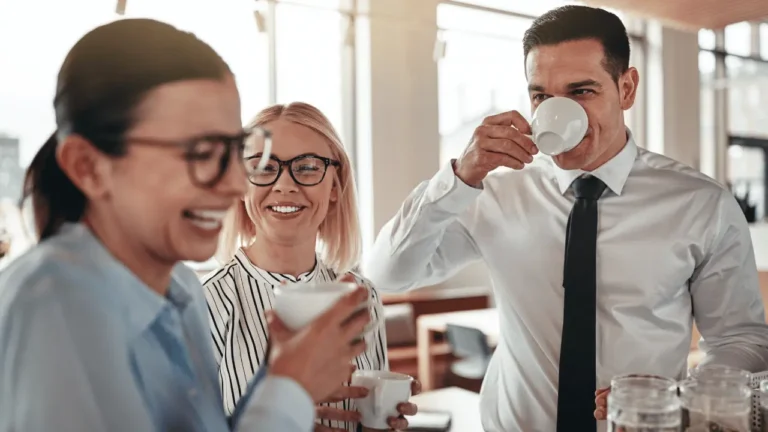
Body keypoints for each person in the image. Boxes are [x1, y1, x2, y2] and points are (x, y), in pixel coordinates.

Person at [364, 5, 768, 432]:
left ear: (627, 89)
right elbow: (387, 274)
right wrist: (457, 177)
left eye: (581, 91)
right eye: (542, 96)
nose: (559, 111)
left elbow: (741, 339)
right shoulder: (492, 193)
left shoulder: (701, 203)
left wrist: (678, 398)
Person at [0, 19, 372, 432]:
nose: (235, 185)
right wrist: (290, 390)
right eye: (199, 152)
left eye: (234, 149)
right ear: (89, 167)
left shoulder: (183, 289)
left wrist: (275, 380)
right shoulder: (52, 308)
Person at [205, 102, 419, 432]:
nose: (285, 185)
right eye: (263, 168)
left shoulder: (363, 297)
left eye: (306, 167)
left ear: (335, 187)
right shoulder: (205, 304)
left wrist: (385, 422)